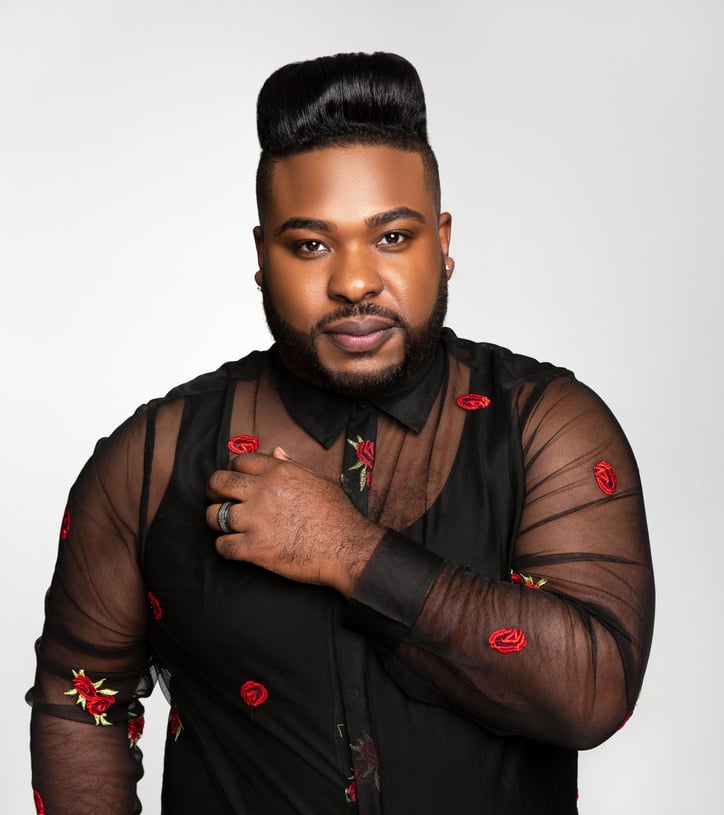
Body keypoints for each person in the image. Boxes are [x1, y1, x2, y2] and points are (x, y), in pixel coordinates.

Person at [28, 52, 654, 814]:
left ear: (442, 241)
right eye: (311, 244)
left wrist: (350, 552)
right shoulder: (151, 460)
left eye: (391, 237)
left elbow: (594, 692)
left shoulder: (545, 425)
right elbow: (79, 700)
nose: (354, 281)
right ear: (262, 257)